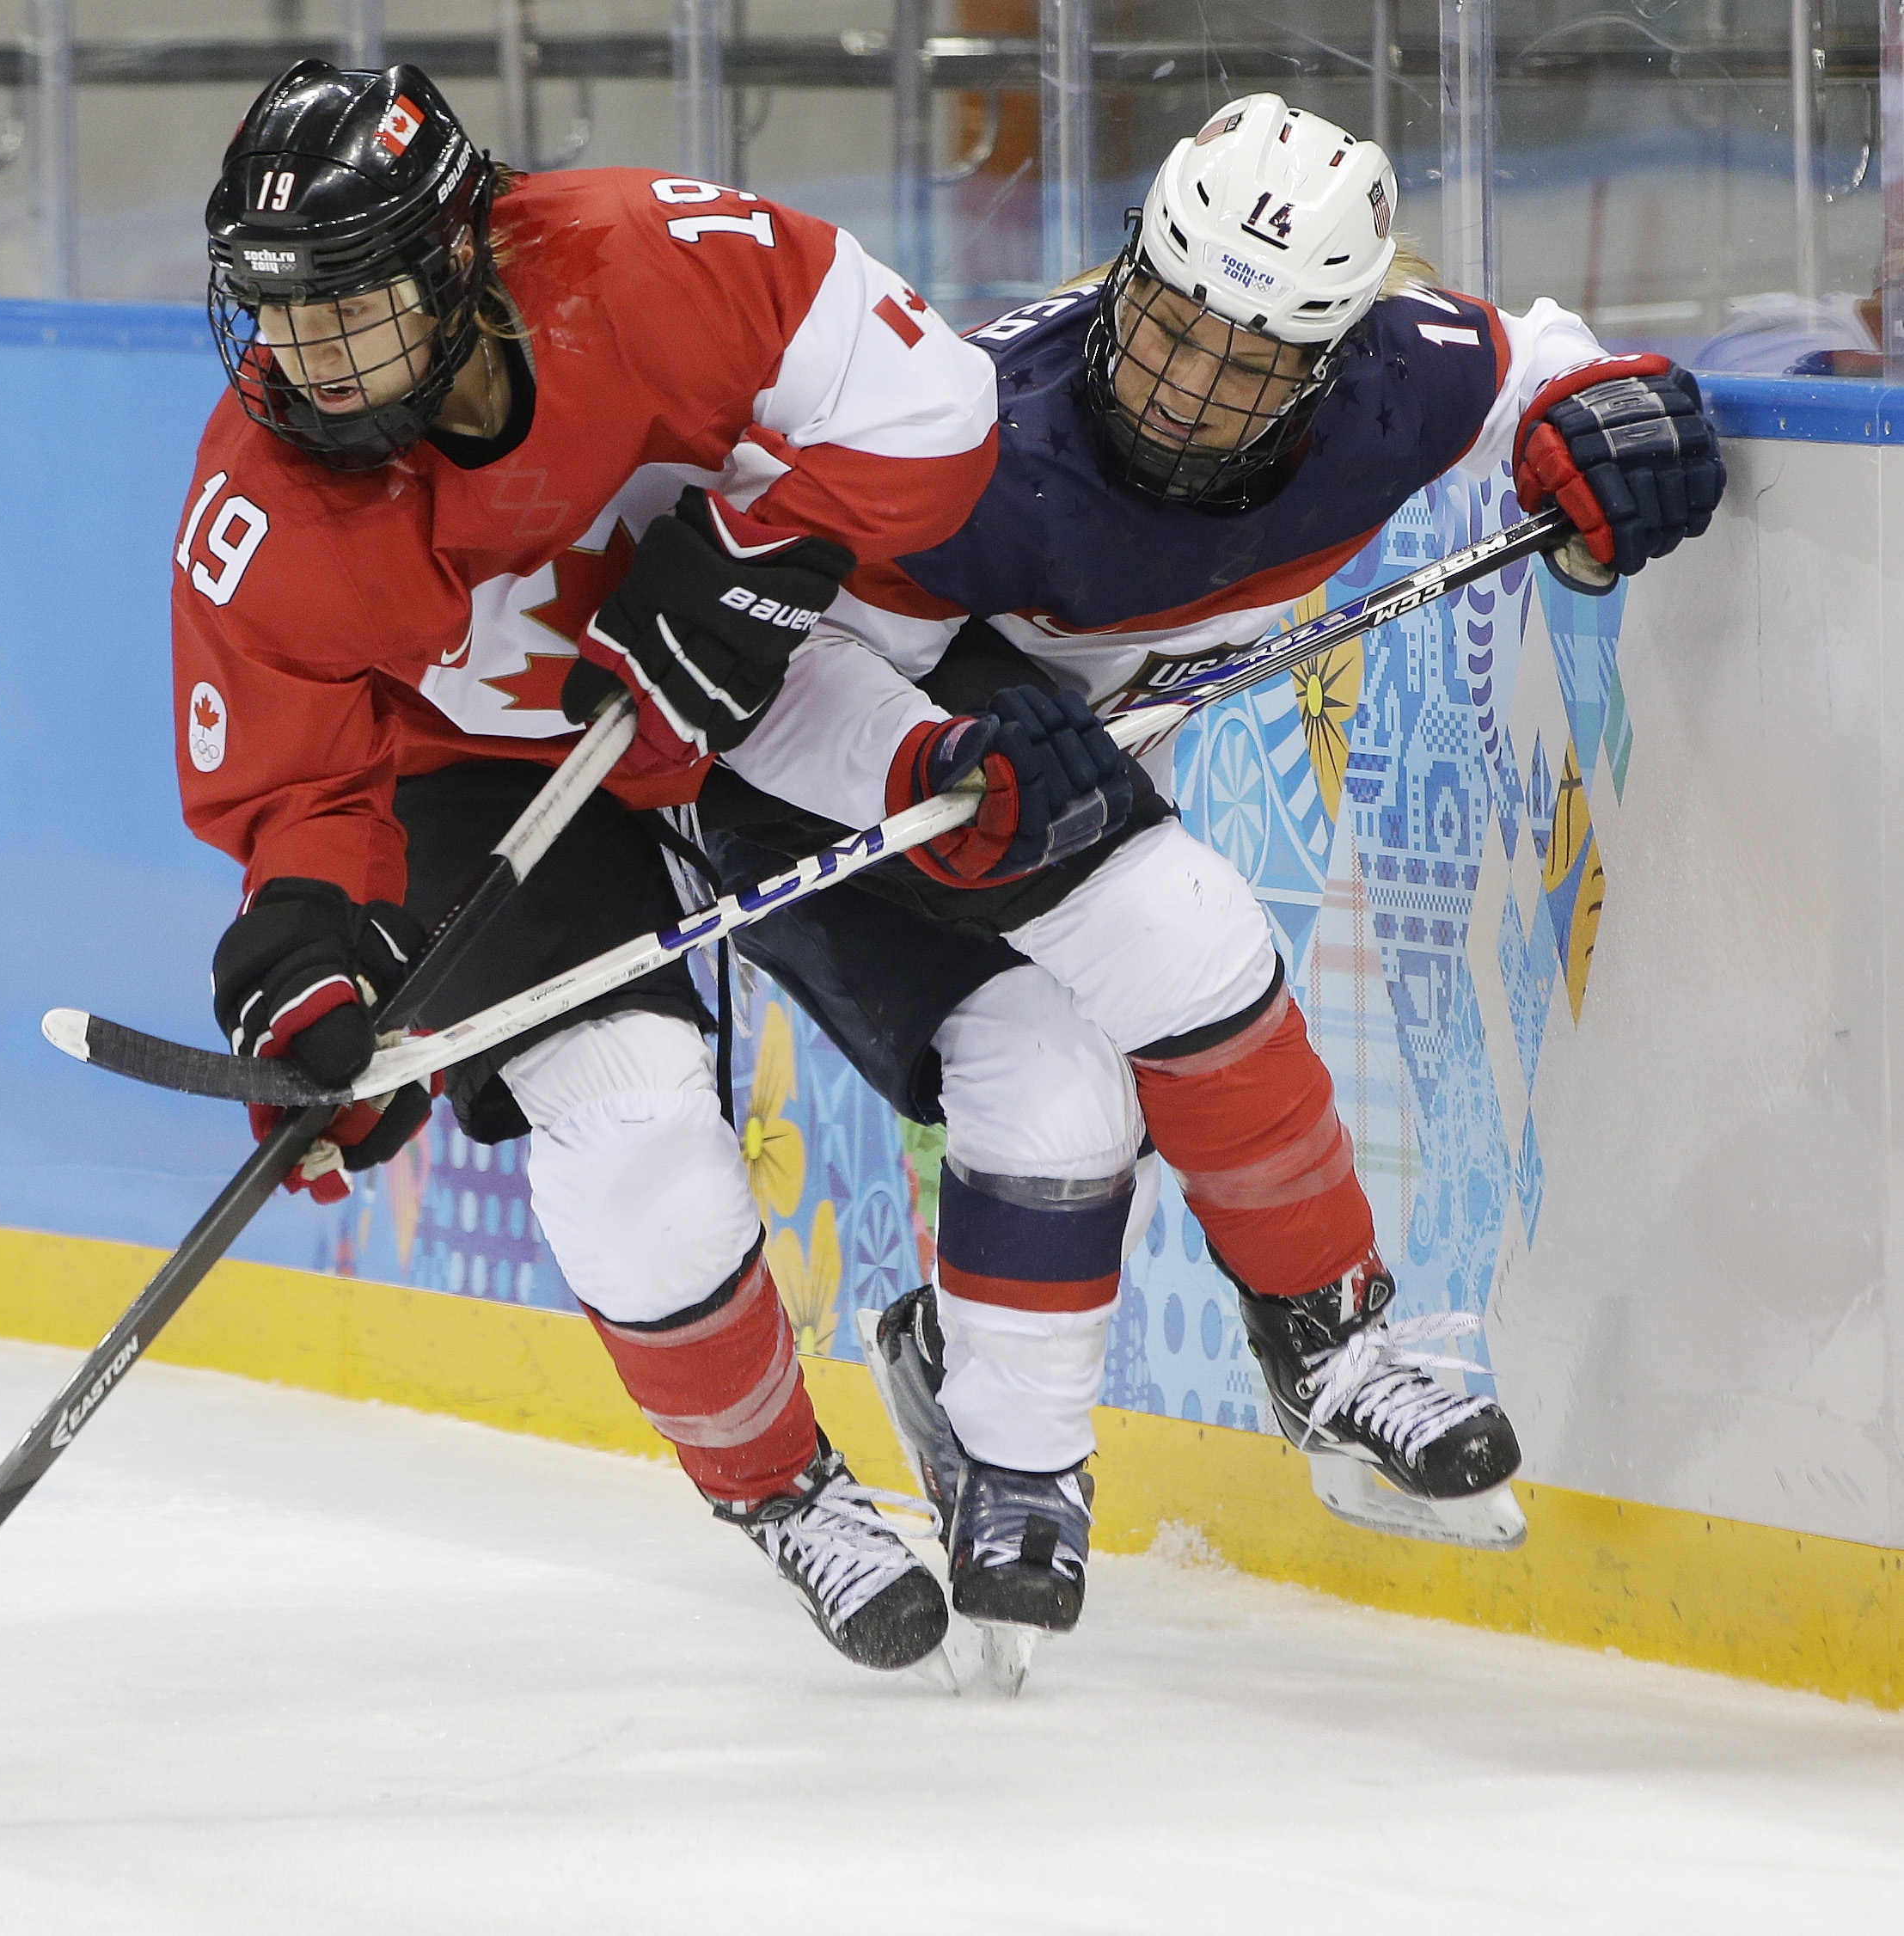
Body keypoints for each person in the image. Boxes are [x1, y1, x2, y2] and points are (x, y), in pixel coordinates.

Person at [698, 93, 1727, 1638]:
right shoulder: (973, 433)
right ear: (1127, 271)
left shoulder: (1399, 380)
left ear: (1329, 361)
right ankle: (1325, 1342)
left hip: (1026, 770)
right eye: (1171, 329)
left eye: (1251, 364)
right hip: (822, 782)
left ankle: (1010, 1464)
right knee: (1182, 935)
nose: (1188, 386)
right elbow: (782, 691)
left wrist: (1615, 415)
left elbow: (1538, 367)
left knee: (1060, 1093)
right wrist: (937, 762)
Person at [168, 60, 1003, 1671]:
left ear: (460, 256)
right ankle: (784, 1494)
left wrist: (765, 558)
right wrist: (306, 959)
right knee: (625, 1125)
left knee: (1039, 996)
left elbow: (940, 407)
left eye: (347, 304)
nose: (305, 358)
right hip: (489, 784)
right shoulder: (265, 493)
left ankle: (1003, 1393)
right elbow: (299, 791)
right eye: (276, 310)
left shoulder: (649, 259)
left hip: (777, 692)